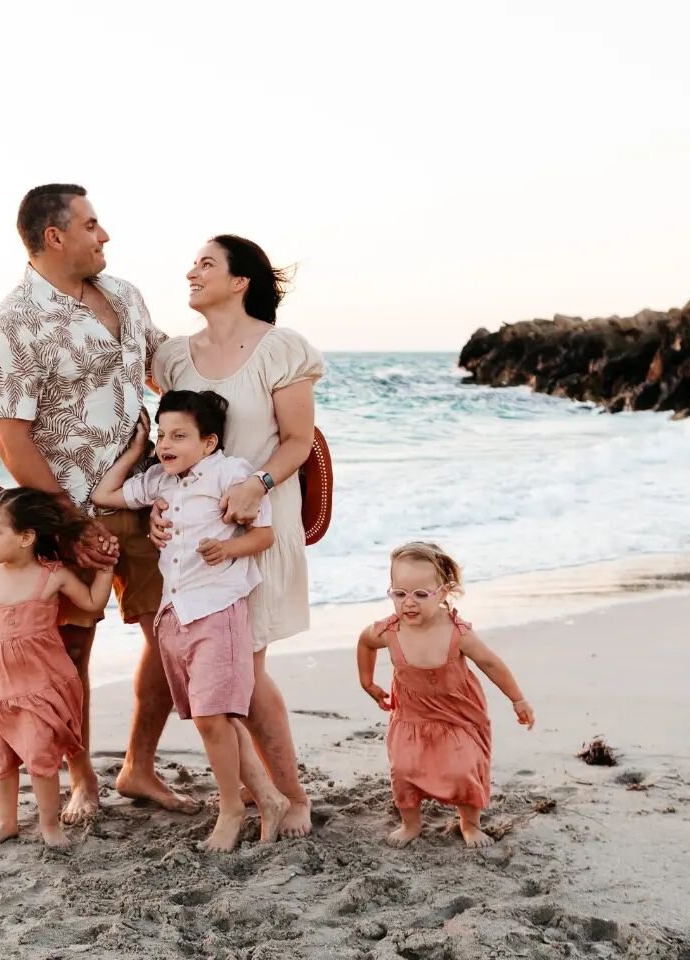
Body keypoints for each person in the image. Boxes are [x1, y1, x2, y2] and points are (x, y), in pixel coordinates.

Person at [0, 183, 195, 823]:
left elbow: (167, 367)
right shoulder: (14, 326)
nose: (105, 236)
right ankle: (80, 780)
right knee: (69, 652)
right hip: (68, 511)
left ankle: (138, 766)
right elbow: (10, 437)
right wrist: (70, 525)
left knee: (169, 631)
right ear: (55, 236)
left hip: (150, 494)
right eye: (93, 224)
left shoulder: (125, 295)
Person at [151, 235, 323, 837]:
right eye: (193, 260)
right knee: (231, 677)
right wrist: (160, 505)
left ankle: (287, 796)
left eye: (206, 263)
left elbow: (299, 440)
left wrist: (256, 483)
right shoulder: (174, 356)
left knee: (244, 673)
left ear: (240, 280)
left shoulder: (281, 350)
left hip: (259, 528)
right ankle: (263, 795)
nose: (191, 270)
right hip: (194, 550)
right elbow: (177, 443)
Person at [93, 391, 291, 851]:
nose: (167, 443)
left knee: (210, 717)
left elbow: (263, 534)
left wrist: (227, 549)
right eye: (162, 434)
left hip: (217, 609)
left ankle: (231, 809)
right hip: (175, 611)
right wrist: (136, 449)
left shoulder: (231, 474)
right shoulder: (160, 480)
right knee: (213, 717)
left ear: (209, 442)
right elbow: (105, 495)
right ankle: (268, 798)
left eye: (179, 435)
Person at [356, 542, 535, 848]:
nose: (408, 603)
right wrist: (368, 683)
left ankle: (469, 824)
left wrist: (517, 698)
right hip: (412, 715)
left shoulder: (457, 633)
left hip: (458, 714)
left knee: (463, 769)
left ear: (442, 593)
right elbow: (365, 643)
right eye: (399, 594)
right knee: (404, 769)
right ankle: (410, 824)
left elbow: (490, 662)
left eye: (420, 595)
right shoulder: (389, 630)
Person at [0, 485, 114, 848]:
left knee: (41, 757)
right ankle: (7, 823)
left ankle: (50, 826)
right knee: (0, 758)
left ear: (26, 537)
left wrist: (107, 568)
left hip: (40, 682)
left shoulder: (53, 575)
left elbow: (93, 604)